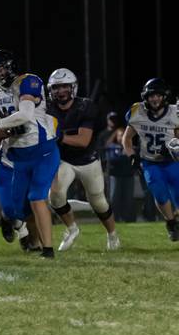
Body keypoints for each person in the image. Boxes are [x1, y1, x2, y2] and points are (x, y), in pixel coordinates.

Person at [0, 49, 60, 259]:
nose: (2, 73)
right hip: (16, 155)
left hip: (42, 150)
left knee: (36, 197)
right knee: (16, 210)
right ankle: (13, 224)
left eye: (5, 67)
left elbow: (25, 114)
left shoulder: (29, 81)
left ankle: (47, 249)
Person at [46, 68, 120, 251]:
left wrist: (58, 137)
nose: (60, 91)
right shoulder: (47, 108)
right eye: (56, 87)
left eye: (64, 86)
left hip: (88, 160)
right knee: (54, 197)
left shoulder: (85, 106)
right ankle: (72, 229)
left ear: (73, 88)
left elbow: (83, 141)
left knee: (99, 202)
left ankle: (112, 235)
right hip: (63, 160)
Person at [122, 78, 179, 240]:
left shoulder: (175, 113)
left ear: (164, 96)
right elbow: (126, 139)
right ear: (145, 97)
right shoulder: (137, 111)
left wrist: (174, 148)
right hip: (150, 162)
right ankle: (171, 222)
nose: (155, 99)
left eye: (158, 95)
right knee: (160, 194)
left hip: (173, 162)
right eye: (151, 96)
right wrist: (132, 156)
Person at [103, 113, 136, 222]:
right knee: (114, 198)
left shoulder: (130, 147)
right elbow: (111, 156)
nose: (121, 137)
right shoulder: (112, 147)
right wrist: (115, 133)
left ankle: (128, 219)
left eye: (123, 135)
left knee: (128, 198)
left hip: (128, 175)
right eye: (119, 135)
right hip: (115, 175)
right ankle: (114, 218)